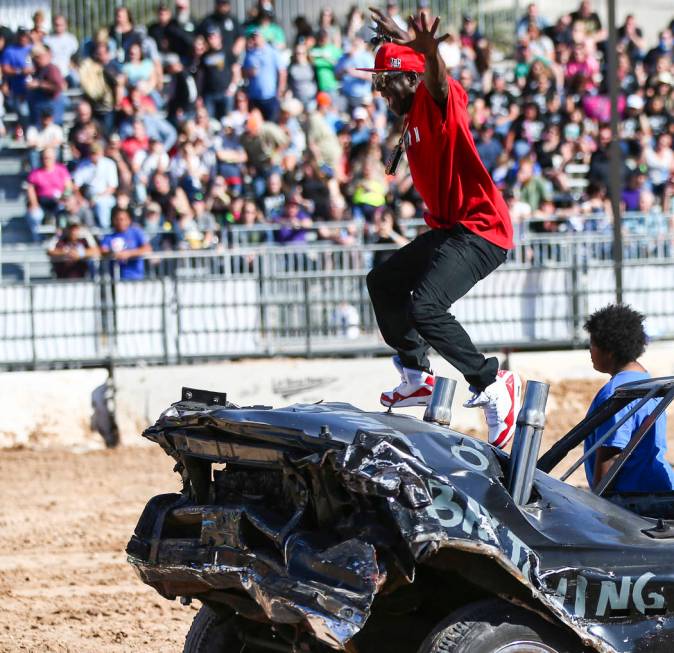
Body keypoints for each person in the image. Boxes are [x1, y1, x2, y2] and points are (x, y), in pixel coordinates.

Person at [364, 11, 519, 448]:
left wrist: (428, 54)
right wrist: (401, 46)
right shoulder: (412, 111)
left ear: (409, 82)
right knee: (384, 281)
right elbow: (411, 70)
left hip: (481, 229)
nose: (380, 92)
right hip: (452, 229)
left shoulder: (436, 103)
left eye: (384, 84)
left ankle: (492, 382)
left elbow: (434, 79)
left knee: (426, 307)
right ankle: (416, 376)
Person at [583, 304, 674, 492]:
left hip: (632, 502)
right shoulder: (648, 383)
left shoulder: (618, 393)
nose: (589, 351)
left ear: (609, 350)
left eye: (592, 345)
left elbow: (611, 454)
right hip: (658, 489)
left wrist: (598, 506)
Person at [100, 206, 151, 280]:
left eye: (123, 219)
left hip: (136, 277)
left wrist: (128, 253)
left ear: (129, 220)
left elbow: (147, 248)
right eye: (118, 219)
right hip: (116, 279)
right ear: (113, 220)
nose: (121, 222)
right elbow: (103, 250)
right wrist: (113, 253)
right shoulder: (109, 237)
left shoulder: (136, 232)